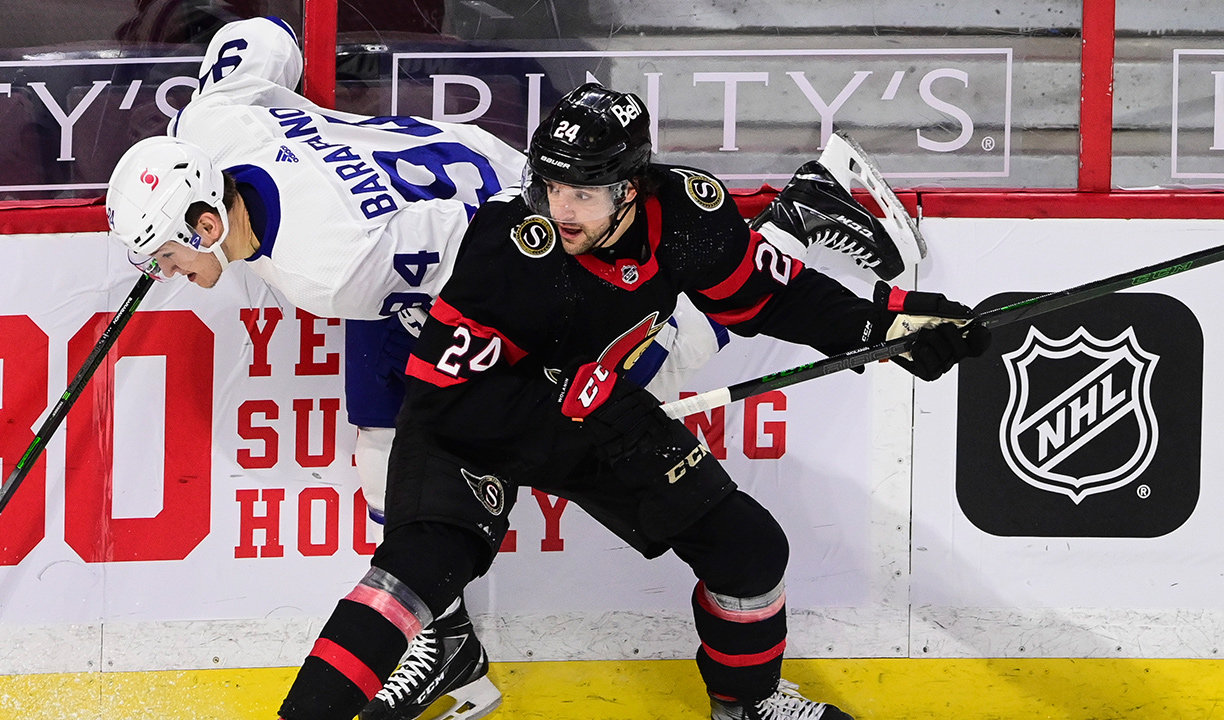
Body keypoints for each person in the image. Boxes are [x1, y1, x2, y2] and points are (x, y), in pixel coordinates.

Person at [103, 18, 758, 720]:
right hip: (415, 219)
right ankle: (449, 646)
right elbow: (263, 37)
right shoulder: (210, 124)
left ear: (207, 225)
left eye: (166, 257)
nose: (166, 274)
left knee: (646, 359)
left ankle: (780, 237)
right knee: (383, 454)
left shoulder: (330, 269)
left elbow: (478, 251)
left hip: (499, 218)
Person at [273, 83, 989, 720]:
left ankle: (747, 703)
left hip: (598, 414)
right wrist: (565, 404)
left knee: (748, 550)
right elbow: (445, 402)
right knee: (415, 571)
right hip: (475, 417)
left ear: (632, 187)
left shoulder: (684, 216)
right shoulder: (504, 250)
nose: (561, 210)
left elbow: (770, 295)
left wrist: (883, 326)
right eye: (551, 186)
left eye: (583, 193)